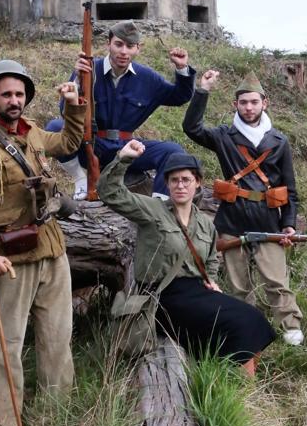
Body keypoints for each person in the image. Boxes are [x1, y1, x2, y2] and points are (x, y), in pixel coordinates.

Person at [0, 59, 86, 426]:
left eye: (20, 93)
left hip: (52, 250)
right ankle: (9, 423)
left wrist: (75, 105)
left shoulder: (33, 133)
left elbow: (69, 143)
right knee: (6, 345)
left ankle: (57, 415)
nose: (14, 100)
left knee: (58, 337)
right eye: (7, 93)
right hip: (10, 257)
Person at [98, 140, 276, 376]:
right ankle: (241, 384)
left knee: (253, 317)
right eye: (174, 180)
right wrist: (124, 158)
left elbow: (212, 257)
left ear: (197, 183)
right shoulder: (152, 209)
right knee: (239, 322)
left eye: (186, 180)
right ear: (167, 184)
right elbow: (110, 192)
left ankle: (235, 378)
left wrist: (211, 280)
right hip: (161, 296)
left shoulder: (203, 222)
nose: (180, 185)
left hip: (197, 292)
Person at [183, 70, 304, 345]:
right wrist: (202, 91)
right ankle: (246, 330)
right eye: (243, 102)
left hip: (268, 220)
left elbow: (290, 188)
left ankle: (291, 326)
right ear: (235, 105)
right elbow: (192, 128)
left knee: (277, 281)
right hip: (232, 219)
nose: (249, 107)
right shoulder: (224, 136)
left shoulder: (279, 141)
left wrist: (289, 223)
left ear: (265, 103)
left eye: (254, 102)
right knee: (238, 287)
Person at [46, 20, 196, 198]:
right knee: (55, 128)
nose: (124, 51)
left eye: (130, 46)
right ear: (108, 44)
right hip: (90, 144)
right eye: (118, 44)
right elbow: (65, 112)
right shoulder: (87, 70)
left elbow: (179, 97)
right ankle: (80, 181)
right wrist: (77, 80)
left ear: (138, 48)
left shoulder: (148, 78)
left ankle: (159, 205)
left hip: (127, 149)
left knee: (172, 151)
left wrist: (181, 68)